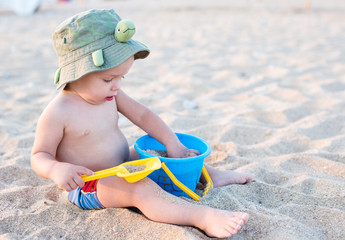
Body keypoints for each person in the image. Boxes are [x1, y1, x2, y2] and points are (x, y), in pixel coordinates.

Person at [31, 9, 254, 238]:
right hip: (90, 184)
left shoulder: (111, 94)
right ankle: (202, 217)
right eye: (109, 79)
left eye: (121, 78)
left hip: (123, 161)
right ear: (77, 73)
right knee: (140, 188)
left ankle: (209, 175)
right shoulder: (57, 113)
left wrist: (172, 143)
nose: (116, 86)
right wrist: (56, 169)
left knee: (158, 153)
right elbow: (39, 155)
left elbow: (143, 116)